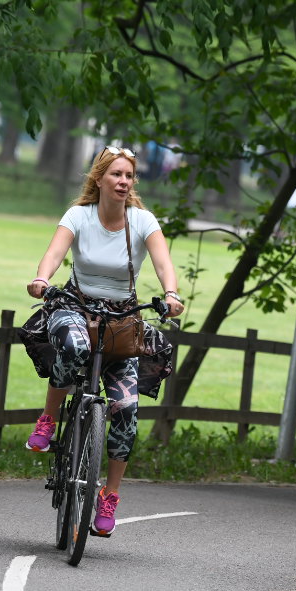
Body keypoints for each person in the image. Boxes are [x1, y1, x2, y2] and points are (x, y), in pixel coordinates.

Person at [23, 145, 185, 537]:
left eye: (129, 176)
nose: (123, 182)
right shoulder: (79, 215)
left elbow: (163, 262)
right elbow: (55, 252)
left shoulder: (142, 220)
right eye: (116, 174)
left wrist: (172, 293)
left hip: (121, 319)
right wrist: (42, 279)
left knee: (127, 409)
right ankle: (48, 418)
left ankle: (109, 494)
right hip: (74, 306)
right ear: (99, 178)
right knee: (74, 347)